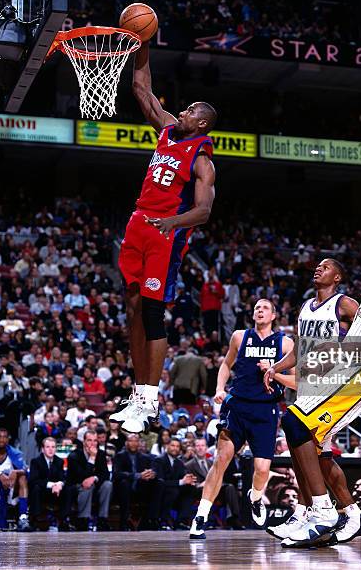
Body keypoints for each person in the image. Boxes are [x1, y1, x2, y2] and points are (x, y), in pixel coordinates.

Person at [267, 236, 361, 547]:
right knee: (307, 439)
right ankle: (344, 513)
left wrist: (340, 350)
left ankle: (322, 511)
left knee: (295, 422)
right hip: (348, 369)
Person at [111, 40, 217, 434]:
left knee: (154, 313)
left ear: (202, 123)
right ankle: (137, 394)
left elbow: (204, 211)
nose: (183, 111)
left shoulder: (203, 159)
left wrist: (173, 224)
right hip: (139, 223)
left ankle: (150, 399)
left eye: (191, 110)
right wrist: (141, 45)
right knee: (133, 307)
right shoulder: (167, 131)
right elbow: (141, 89)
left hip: (164, 232)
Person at [263, 259, 361, 545]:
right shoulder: (307, 306)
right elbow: (298, 347)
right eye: (317, 266)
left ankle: (323, 510)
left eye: (326, 267)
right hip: (310, 385)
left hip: (334, 385)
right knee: (315, 454)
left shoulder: (345, 304)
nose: (319, 269)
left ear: (338, 276)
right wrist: (276, 368)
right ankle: (323, 511)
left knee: (298, 431)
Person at [189, 298, 294, 539]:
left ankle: (256, 497)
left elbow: (298, 382)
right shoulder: (239, 336)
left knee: (262, 468)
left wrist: (273, 372)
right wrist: (219, 389)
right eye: (256, 307)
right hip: (236, 407)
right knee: (221, 460)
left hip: (265, 410)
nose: (259, 310)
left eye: (265, 308)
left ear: (274, 316)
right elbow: (226, 365)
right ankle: (200, 517)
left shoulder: (285, 344)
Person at [184, 438, 243, 529]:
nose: (200, 448)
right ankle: (208, 520)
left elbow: (220, 478)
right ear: (194, 448)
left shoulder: (213, 463)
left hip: (216, 490)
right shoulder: (189, 465)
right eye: (198, 446)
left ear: (206, 448)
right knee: (207, 489)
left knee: (230, 487)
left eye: (202, 446)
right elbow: (189, 483)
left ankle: (234, 518)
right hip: (199, 491)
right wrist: (200, 484)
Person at [66, 430, 112, 531]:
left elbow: (105, 474)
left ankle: (102, 519)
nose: (93, 443)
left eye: (95, 441)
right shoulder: (74, 455)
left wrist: (94, 478)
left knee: (108, 485)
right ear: (84, 442)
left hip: (94, 485)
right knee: (87, 485)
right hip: (76, 486)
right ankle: (83, 519)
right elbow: (81, 477)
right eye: (89, 440)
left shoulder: (100, 454)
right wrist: (92, 458)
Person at [112, 434, 160, 530]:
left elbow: (152, 470)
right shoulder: (120, 456)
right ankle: (124, 523)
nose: (133, 443)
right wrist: (137, 475)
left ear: (139, 443)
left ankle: (151, 520)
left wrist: (151, 474)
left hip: (140, 489)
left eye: (136, 441)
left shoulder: (145, 457)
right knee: (124, 483)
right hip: (123, 490)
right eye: (131, 441)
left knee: (158, 483)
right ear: (126, 443)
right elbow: (117, 474)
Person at [28, 437, 70, 531]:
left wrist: (59, 485)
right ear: (43, 449)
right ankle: (36, 519)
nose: (51, 449)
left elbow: (62, 478)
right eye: (48, 447)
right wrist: (52, 485)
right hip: (43, 492)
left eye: (53, 447)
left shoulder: (59, 461)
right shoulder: (35, 462)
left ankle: (64, 520)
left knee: (68, 489)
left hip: (56, 493)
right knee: (36, 488)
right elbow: (34, 480)